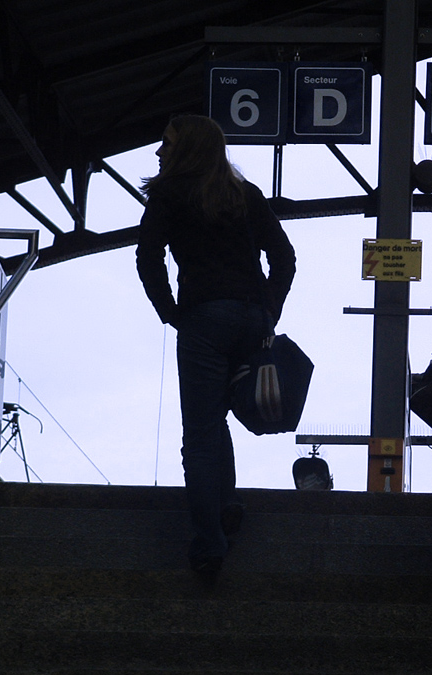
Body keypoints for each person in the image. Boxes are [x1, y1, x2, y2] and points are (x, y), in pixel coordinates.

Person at [136, 115, 295, 575]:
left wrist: (171, 311)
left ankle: (209, 545)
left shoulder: (169, 194)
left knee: (200, 433)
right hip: (251, 316)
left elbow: (148, 256)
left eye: (165, 143)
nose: (158, 152)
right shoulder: (246, 195)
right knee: (218, 417)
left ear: (185, 149)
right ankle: (227, 503)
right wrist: (269, 307)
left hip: (204, 318)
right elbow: (284, 257)